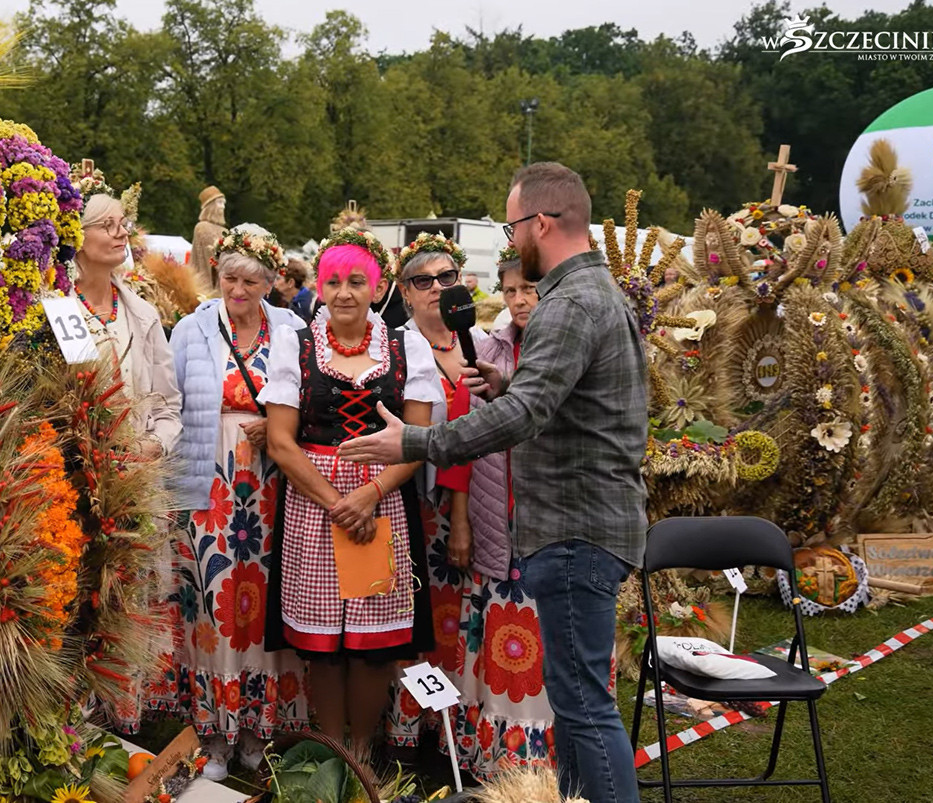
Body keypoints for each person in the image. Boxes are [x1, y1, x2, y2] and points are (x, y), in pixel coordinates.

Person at [338, 162, 648, 803]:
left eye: (513, 226)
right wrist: (508, 387)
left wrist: (415, 442)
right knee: (573, 701)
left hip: (575, 528)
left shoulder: (569, 302)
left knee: (585, 706)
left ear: (541, 222)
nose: (512, 240)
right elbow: (563, 406)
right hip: (586, 523)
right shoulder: (595, 293)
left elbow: (525, 418)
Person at [258, 228, 440, 762]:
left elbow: (418, 440)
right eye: (333, 281)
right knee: (323, 651)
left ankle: (361, 753)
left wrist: (369, 494)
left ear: (377, 288)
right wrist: (338, 504)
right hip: (315, 507)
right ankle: (333, 753)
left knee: (371, 649)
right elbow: (282, 443)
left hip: (383, 502)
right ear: (319, 287)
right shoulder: (297, 345)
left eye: (356, 281)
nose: (344, 292)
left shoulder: (408, 347)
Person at [387, 245, 554, 778]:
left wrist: (463, 516)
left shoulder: (483, 345)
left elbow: (474, 435)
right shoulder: (395, 347)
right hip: (416, 507)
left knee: (462, 632)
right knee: (420, 627)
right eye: (423, 280)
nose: (438, 287)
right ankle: (411, 733)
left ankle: (455, 735)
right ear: (404, 292)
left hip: (473, 514)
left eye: (448, 277)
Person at [166, 224, 311, 779]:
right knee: (214, 600)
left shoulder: (293, 329)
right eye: (230, 277)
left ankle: (259, 726)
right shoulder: (191, 329)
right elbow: (171, 401)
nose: (239, 289)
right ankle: (216, 731)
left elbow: (312, 400)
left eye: (251, 279)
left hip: (275, 483)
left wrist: (276, 423)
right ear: (217, 277)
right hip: (211, 482)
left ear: (272, 281)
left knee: (269, 596)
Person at [71, 192, 183, 460]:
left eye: (122, 224)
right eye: (107, 225)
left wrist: (154, 445)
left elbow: (167, 406)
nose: (122, 234)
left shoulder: (144, 314)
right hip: (77, 478)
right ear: (77, 235)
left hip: (138, 479)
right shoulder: (60, 310)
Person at [191, 186, 227, 290]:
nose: (223, 207)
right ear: (210, 205)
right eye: (220, 202)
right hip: (207, 283)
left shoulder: (224, 231)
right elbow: (211, 256)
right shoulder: (202, 227)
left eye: (224, 203)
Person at [275, 258, 315, 322]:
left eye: (278, 278)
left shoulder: (304, 307)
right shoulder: (291, 302)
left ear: (291, 283)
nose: (274, 282)